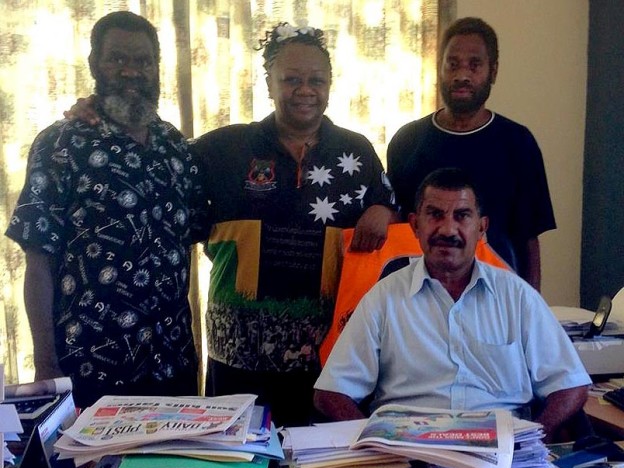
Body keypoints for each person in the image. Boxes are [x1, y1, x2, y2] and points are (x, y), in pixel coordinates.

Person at [190, 23, 397, 427]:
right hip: (237, 357)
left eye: (316, 80)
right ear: (268, 83)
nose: (305, 90)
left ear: (330, 84)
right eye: (291, 79)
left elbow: (395, 209)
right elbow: (158, 155)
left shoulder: (356, 150)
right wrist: (91, 109)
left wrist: (384, 209)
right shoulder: (224, 148)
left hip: (330, 361)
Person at [5, 11, 210, 408]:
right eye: (118, 58)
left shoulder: (177, 148)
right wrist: (45, 365)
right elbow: (38, 261)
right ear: (95, 65)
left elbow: (199, 232)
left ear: (157, 68)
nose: (131, 71)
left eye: (143, 61)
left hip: (173, 366)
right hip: (90, 368)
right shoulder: (60, 145)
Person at [313, 167, 591, 443]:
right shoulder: (383, 298)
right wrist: (375, 442)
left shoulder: (517, 297)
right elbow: (331, 392)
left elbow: (570, 385)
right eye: (435, 215)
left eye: (462, 216)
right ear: (414, 225)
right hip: (409, 449)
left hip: (503, 453)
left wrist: (534, 438)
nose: (448, 229)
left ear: (481, 228)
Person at [386, 17, 555, 291]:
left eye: (474, 65)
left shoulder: (518, 143)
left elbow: (528, 240)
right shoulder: (407, 141)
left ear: (494, 72)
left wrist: (532, 310)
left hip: (497, 301)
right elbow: (394, 229)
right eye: (452, 64)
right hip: (420, 301)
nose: (462, 75)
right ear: (438, 68)